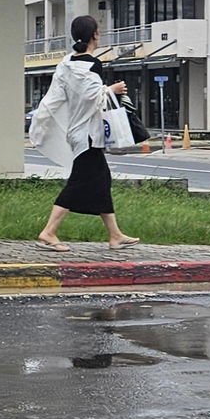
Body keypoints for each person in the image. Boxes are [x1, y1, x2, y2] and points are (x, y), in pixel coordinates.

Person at [28, 15, 141, 252]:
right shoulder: (92, 64)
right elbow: (93, 97)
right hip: (88, 135)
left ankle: (115, 234)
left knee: (101, 181)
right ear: (95, 35)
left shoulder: (66, 63)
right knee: (78, 183)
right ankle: (49, 232)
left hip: (77, 132)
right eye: (99, 32)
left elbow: (62, 98)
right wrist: (113, 89)